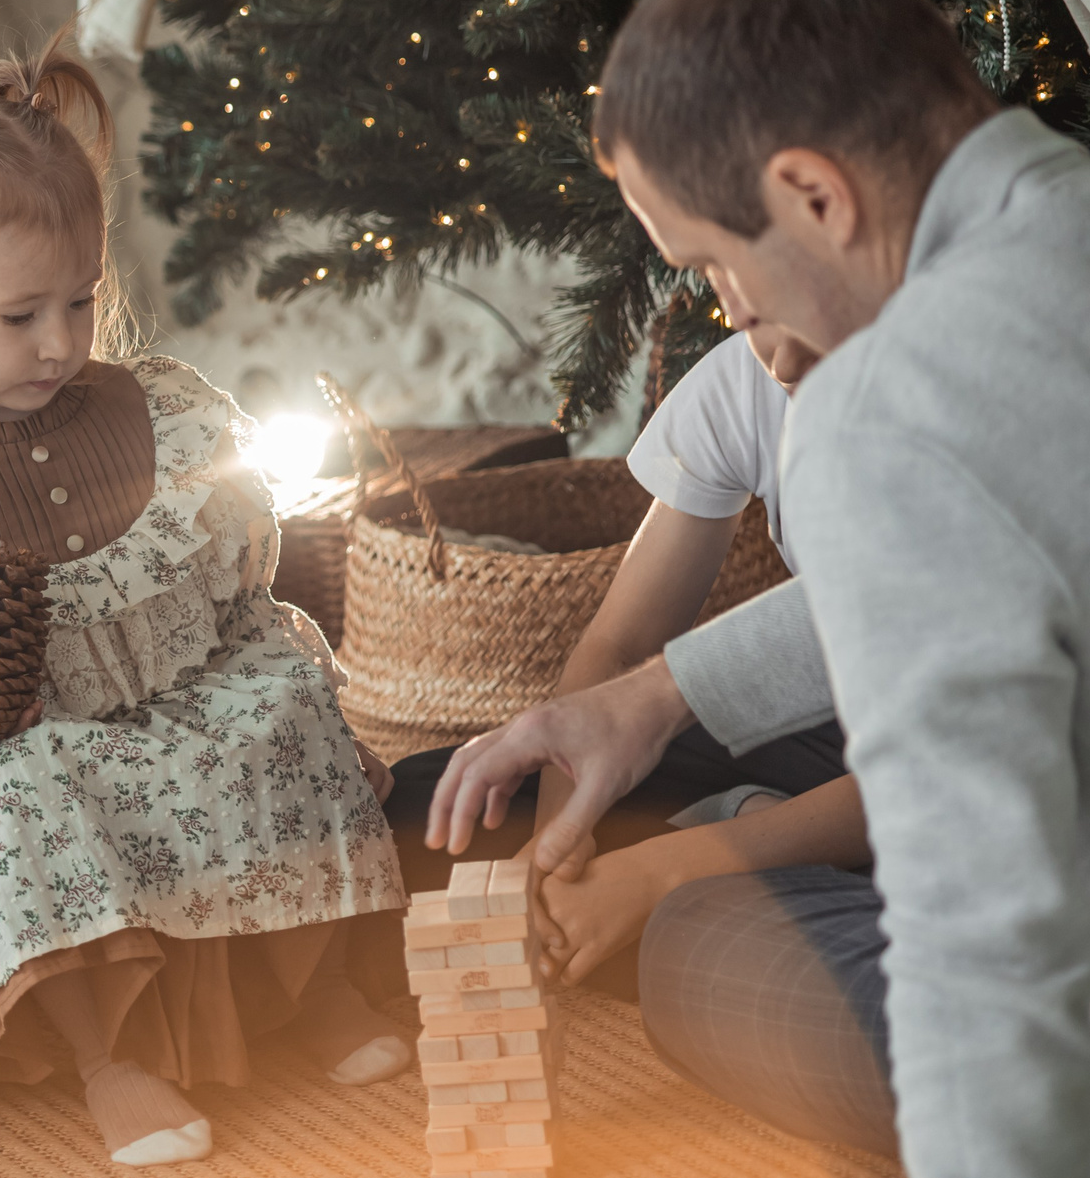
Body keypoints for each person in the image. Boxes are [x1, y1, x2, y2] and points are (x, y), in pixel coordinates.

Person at [428, 0, 1090, 1178]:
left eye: (711, 265)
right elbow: (1035, 523)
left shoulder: (883, 407)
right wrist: (656, 693)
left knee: (720, 958)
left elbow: (989, 947)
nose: (731, 305)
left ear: (814, 194)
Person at [0, 35, 410, 1169]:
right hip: (11, 739)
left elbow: (232, 588)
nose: (62, 342)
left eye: (81, 300)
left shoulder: (165, 414)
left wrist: (264, 659)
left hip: (177, 702)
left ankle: (304, 986)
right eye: (20, 317)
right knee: (20, 795)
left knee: (283, 707)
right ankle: (111, 1055)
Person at [375, 326, 877, 1057]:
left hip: (969, 786)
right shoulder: (747, 379)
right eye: (747, 313)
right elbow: (619, 646)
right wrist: (551, 857)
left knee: (713, 968)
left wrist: (661, 871)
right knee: (421, 814)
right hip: (821, 722)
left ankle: (756, 858)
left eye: (796, 315)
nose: (781, 360)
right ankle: (753, 845)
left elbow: (960, 775)